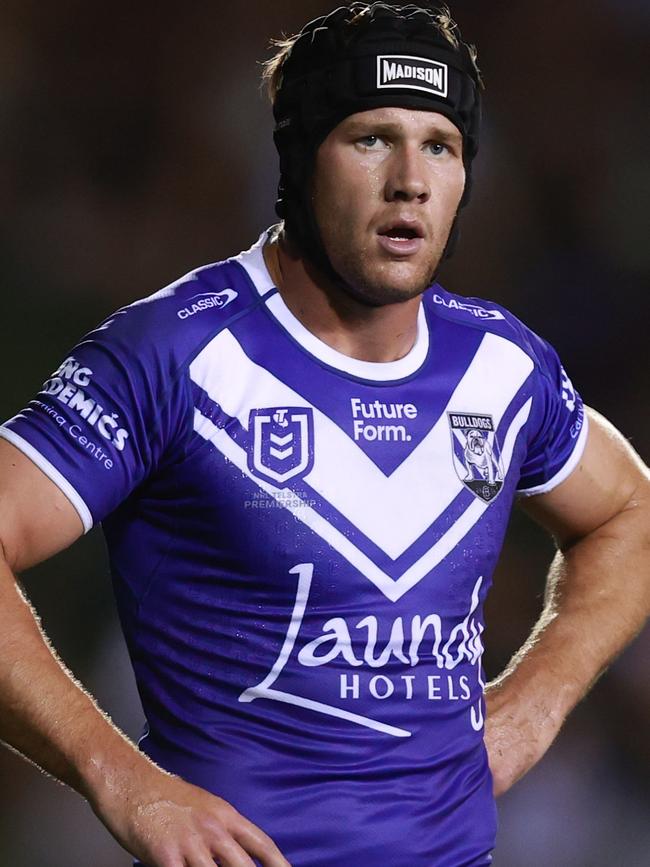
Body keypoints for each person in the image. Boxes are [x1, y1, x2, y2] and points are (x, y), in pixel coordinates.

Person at [0, 2, 648, 865]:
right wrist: (118, 776)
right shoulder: (175, 351)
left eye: (442, 145)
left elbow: (630, 513)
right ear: (300, 159)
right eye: (372, 137)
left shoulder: (504, 366)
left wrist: (535, 701)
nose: (411, 178)